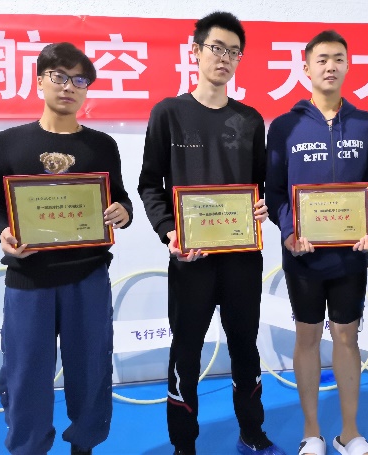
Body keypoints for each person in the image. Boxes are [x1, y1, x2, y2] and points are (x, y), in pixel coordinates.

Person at [137, 11, 285, 455]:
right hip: (190, 259)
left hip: (242, 258)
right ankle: (184, 443)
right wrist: (169, 232)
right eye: (216, 48)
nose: (224, 58)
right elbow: (150, 184)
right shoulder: (169, 113)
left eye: (234, 52)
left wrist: (262, 205)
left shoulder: (250, 119)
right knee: (185, 352)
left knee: (245, 346)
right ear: (195, 51)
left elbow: (259, 185)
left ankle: (252, 431)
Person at [0, 42, 133, 455]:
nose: (69, 87)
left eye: (80, 80)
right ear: (40, 81)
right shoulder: (9, 141)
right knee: (25, 374)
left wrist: (123, 212)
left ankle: (85, 444)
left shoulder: (102, 145)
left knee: (91, 368)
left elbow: (119, 198)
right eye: (60, 77)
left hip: (88, 275)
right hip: (29, 277)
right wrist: (2, 233)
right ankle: (28, 447)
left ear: (87, 90)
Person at [266, 30, 368, 455]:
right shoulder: (285, 126)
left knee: (348, 338)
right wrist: (289, 232)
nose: (330, 66)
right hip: (304, 255)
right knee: (308, 337)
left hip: (350, 256)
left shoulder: (367, 124)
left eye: (338, 58)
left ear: (348, 65)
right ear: (306, 67)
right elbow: (275, 190)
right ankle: (312, 433)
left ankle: (349, 433)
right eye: (322, 59)